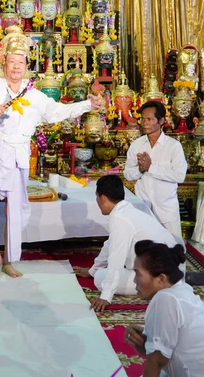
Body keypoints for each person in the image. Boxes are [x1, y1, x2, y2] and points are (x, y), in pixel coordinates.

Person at [0, 26, 101, 280]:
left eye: (21, 62)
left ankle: (9, 259)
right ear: (4, 62)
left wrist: (87, 104)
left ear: (26, 65)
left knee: (15, 209)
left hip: (18, 156)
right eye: (12, 61)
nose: (16, 66)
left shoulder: (34, 95)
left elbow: (57, 112)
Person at [76, 174, 178, 311]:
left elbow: (116, 258)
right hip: (172, 266)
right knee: (99, 273)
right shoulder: (128, 211)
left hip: (159, 275)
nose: (97, 201)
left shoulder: (119, 218)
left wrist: (106, 296)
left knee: (100, 277)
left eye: (97, 197)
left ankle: (163, 286)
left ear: (103, 198)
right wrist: (91, 270)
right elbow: (109, 245)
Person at [125, 240, 204, 377]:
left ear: (161, 279)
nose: (134, 281)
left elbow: (157, 361)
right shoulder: (183, 290)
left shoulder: (165, 298)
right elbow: (168, 351)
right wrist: (144, 343)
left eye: (138, 274)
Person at [124, 101, 187, 239]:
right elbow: (128, 174)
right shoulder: (137, 145)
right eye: (143, 119)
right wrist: (140, 170)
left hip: (166, 210)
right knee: (144, 251)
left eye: (149, 119)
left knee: (172, 250)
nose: (145, 123)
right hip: (143, 208)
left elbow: (179, 176)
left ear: (161, 120)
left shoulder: (173, 146)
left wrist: (150, 168)